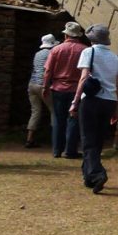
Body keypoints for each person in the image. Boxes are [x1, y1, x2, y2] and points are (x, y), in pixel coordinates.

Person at [70, 24, 118, 194]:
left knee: (88, 139)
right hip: (109, 101)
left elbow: (84, 78)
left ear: (92, 39)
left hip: (91, 100)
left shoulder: (88, 52)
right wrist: (116, 108)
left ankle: (98, 174)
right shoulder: (115, 58)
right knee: (97, 140)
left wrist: (75, 101)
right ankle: (89, 176)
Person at [43, 22, 89, 159]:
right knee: (73, 119)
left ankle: (57, 150)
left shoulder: (56, 50)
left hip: (58, 88)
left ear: (66, 35)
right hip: (77, 89)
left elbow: (48, 70)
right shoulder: (85, 50)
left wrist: (45, 86)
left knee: (58, 119)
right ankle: (70, 150)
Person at [25, 34, 57, 148]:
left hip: (32, 84)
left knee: (35, 111)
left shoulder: (37, 54)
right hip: (43, 85)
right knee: (54, 111)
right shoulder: (52, 53)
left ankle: (29, 139)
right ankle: (55, 139)